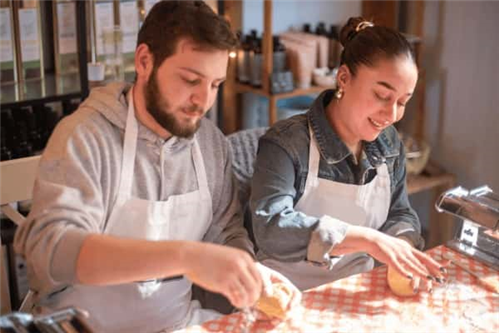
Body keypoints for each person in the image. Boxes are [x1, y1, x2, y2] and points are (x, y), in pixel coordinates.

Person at [14, 1, 268, 332]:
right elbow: (53, 249)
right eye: (191, 80)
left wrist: (241, 266)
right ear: (144, 61)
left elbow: (227, 231)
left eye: (215, 84)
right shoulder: (86, 137)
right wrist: (185, 256)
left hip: (175, 324)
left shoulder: (210, 145)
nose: (203, 101)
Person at [250, 17, 446, 292]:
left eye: (402, 102)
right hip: (283, 294)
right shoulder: (286, 143)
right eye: (381, 95)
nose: (391, 116)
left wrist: (402, 244)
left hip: (353, 292)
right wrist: (367, 239)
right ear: (343, 78)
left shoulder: (389, 145)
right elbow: (271, 227)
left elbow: (400, 212)